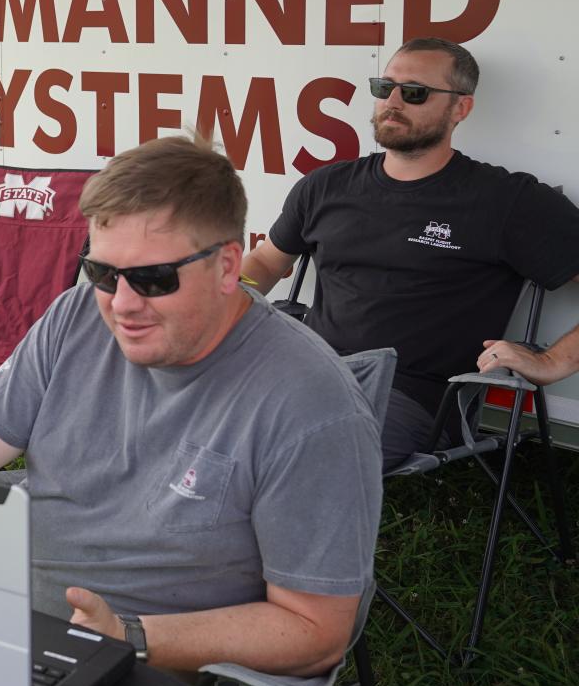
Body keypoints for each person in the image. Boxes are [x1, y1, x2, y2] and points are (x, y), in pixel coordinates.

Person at [0, 133, 381, 685]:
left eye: (154, 279)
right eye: (102, 273)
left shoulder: (308, 404)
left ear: (228, 266)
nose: (122, 304)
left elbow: (316, 630)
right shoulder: (77, 316)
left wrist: (132, 638)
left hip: (148, 663)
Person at [241, 38, 579, 468]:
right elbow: (267, 263)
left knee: (280, 444)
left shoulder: (505, 201)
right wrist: (223, 304)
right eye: (385, 88)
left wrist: (551, 362)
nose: (393, 102)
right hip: (308, 370)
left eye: (414, 92)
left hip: (411, 397)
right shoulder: (326, 185)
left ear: (461, 109)